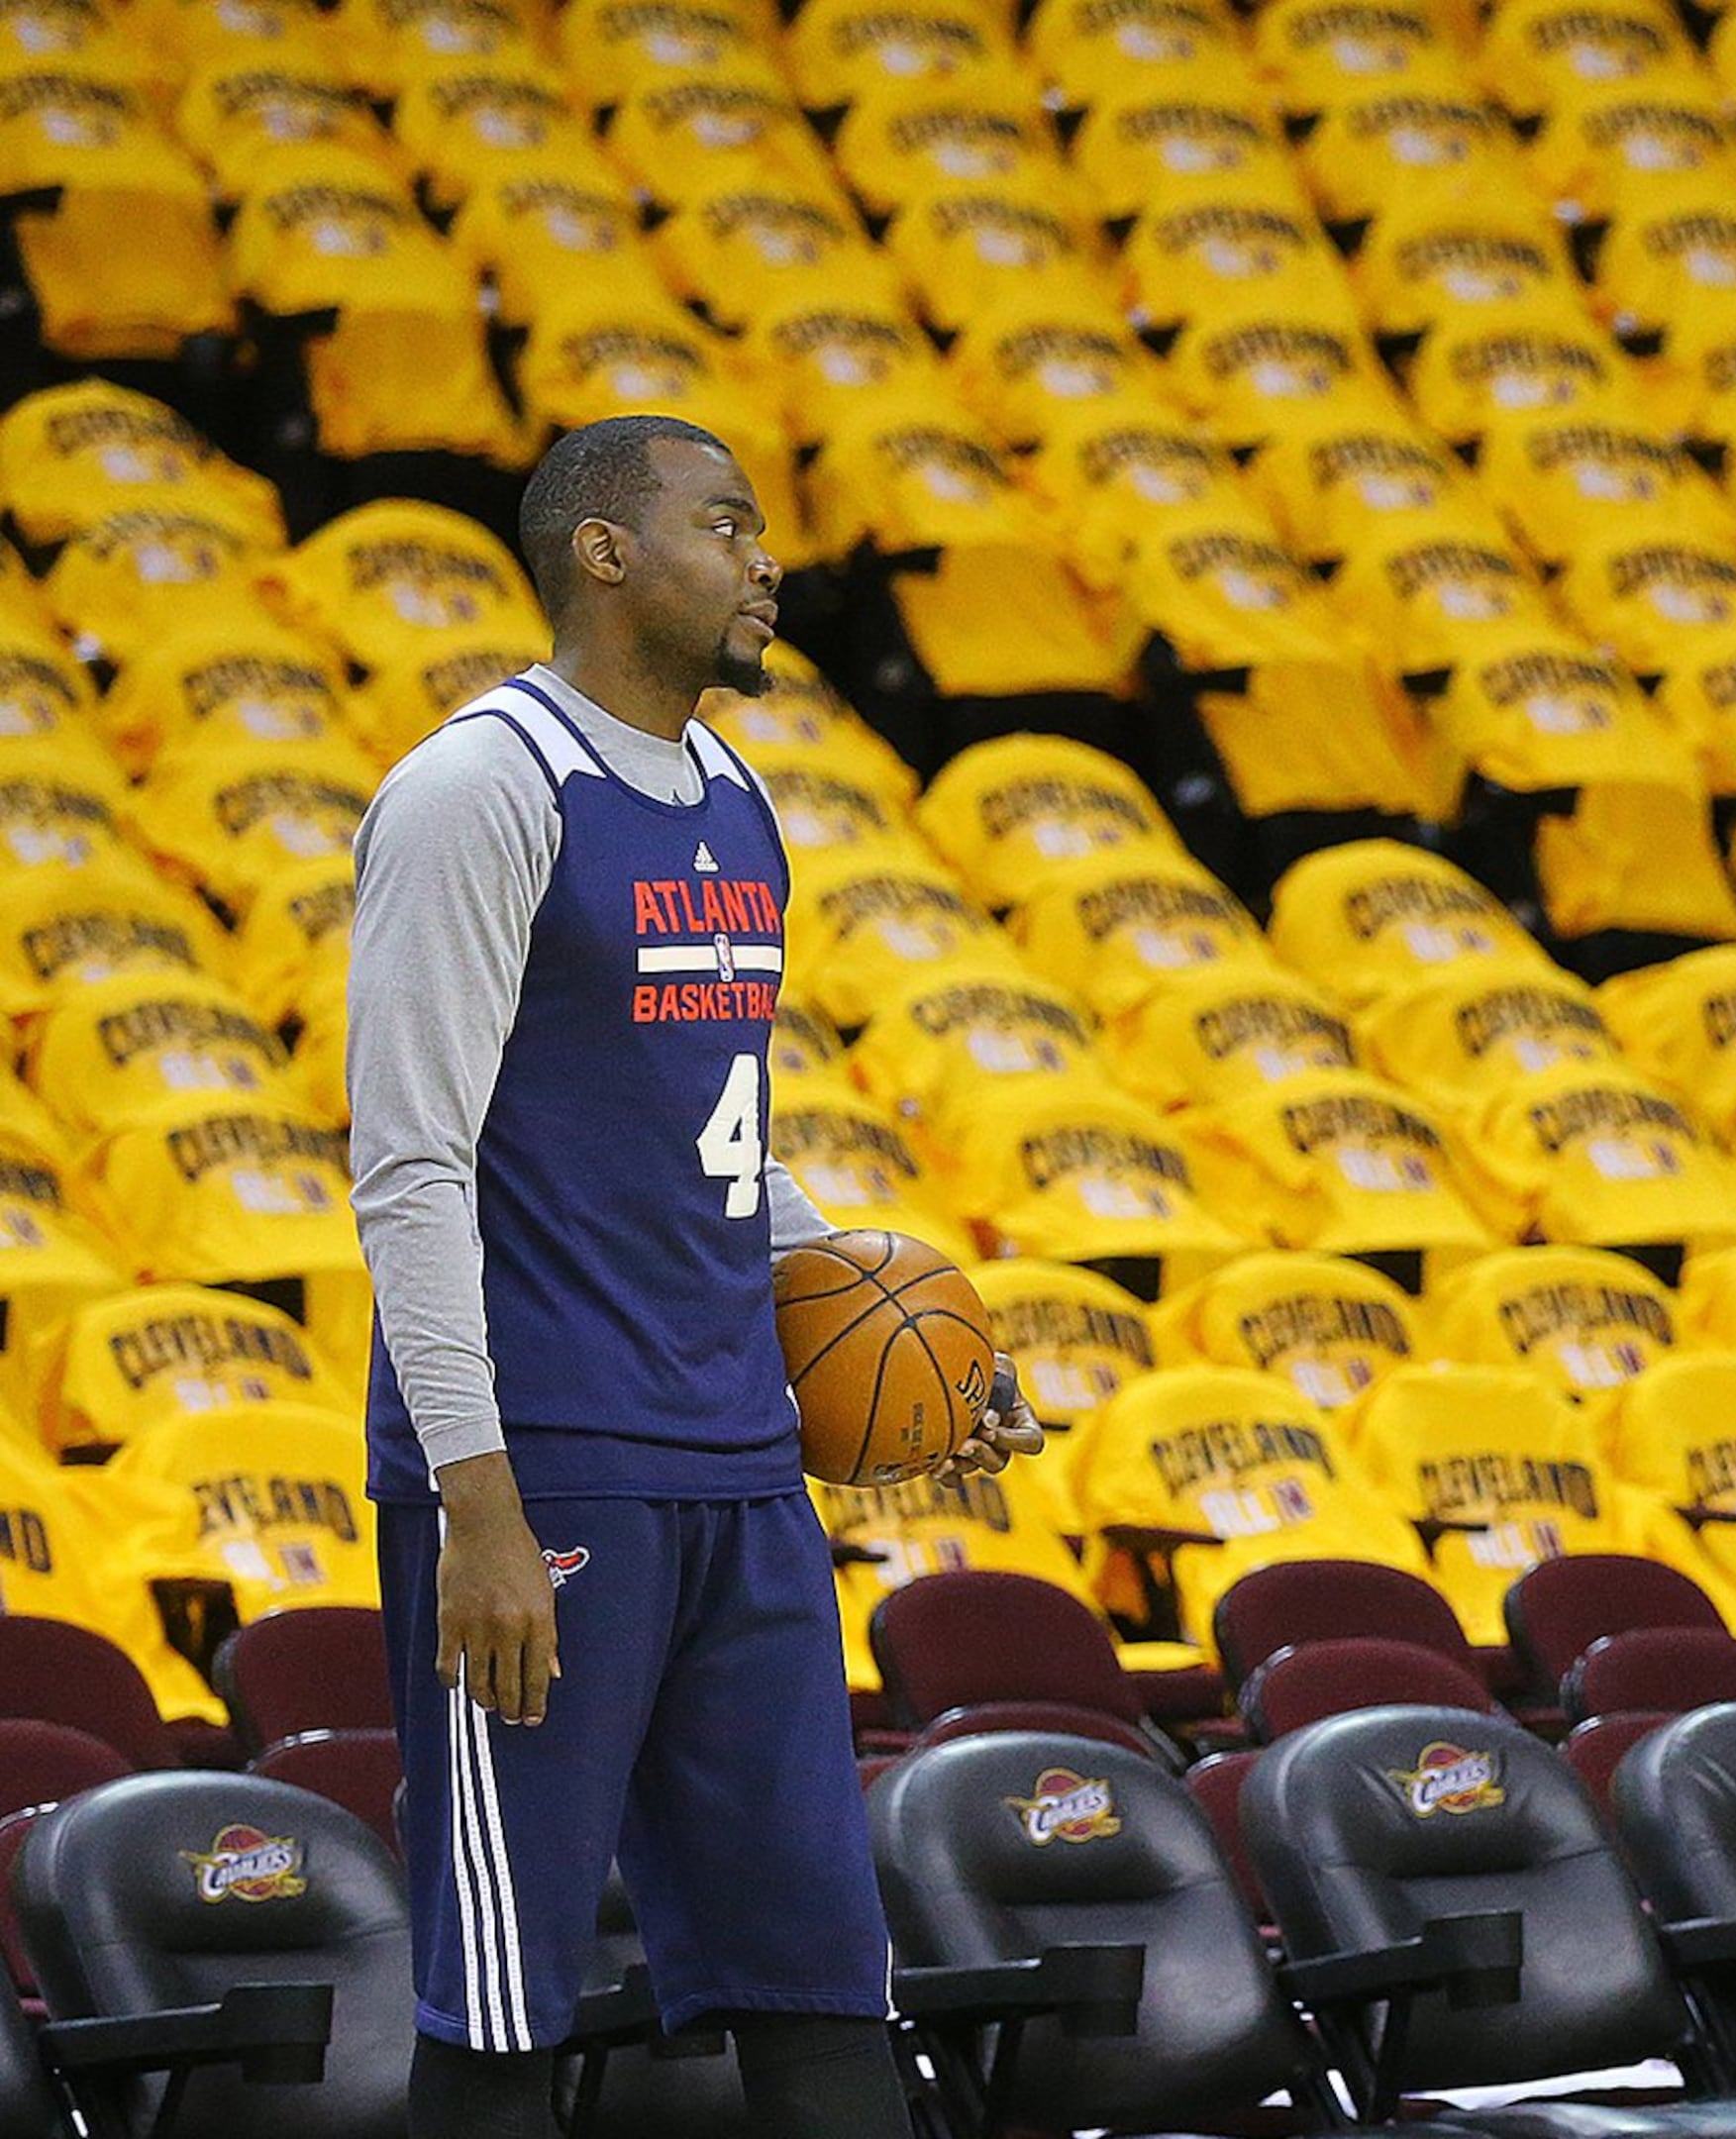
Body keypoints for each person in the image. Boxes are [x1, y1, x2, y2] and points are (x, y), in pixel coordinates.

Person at [350, 414, 1044, 2137]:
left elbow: (713, 1133)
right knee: (502, 2012)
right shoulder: (479, 789)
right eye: (725, 524)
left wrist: (908, 1324)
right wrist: (477, 1506)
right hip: (553, 1467)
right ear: (603, 552)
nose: (767, 558)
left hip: (740, 1461)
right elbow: (409, 1167)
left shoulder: (735, 799)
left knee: (823, 1983)